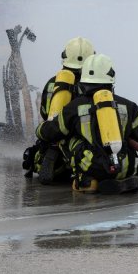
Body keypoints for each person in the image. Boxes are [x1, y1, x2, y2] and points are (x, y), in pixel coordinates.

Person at [35, 53, 138, 194]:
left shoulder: (74, 107)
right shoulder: (129, 105)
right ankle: (127, 179)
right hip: (124, 167)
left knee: (68, 138)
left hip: (92, 168)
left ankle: (88, 181)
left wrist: (40, 130)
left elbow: (53, 131)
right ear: (111, 78)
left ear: (83, 80)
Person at [23, 36, 96, 184]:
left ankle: (52, 154)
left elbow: (44, 111)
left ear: (65, 58)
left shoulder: (53, 83)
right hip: (80, 140)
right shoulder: (93, 85)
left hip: (52, 135)